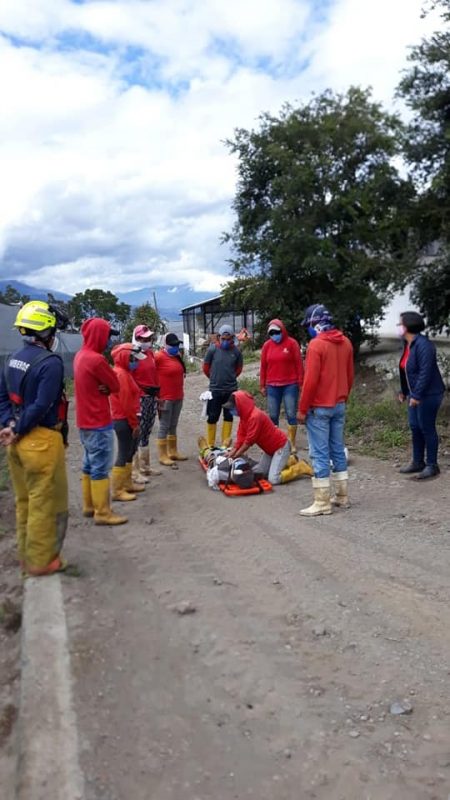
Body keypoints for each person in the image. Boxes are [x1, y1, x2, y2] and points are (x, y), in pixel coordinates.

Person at [0, 300, 69, 575]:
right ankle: (41, 562)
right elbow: (42, 405)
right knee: (45, 502)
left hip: (15, 442)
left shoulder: (10, 358)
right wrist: (19, 427)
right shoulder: (50, 363)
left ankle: (27, 555)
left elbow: (3, 397)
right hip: (40, 440)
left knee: (24, 502)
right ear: (45, 332)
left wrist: (9, 424)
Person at [297, 304, 354, 516]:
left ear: (315, 323)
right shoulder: (346, 342)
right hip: (339, 404)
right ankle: (342, 496)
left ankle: (322, 502)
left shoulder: (316, 345)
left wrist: (302, 409)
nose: (309, 329)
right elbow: (349, 376)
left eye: (309, 325)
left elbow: (310, 382)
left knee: (319, 453)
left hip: (319, 407)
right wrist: (343, 397)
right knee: (337, 449)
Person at [73, 317, 127, 526]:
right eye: (106, 335)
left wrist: (104, 386)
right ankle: (103, 513)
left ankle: (89, 506)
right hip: (98, 420)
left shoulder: (80, 356)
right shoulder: (96, 360)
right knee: (100, 467)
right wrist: (106, 387)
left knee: (88, 463)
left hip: (84, 421)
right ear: (98, 336)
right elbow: (115, 385)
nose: (107, 340)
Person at [224, 390, 312, 484]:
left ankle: (299, 468)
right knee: (260, 473)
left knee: (273, 479)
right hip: (270, 450)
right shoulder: (244, 417)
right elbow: (241, 437)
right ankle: (290, 460)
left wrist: (236, 455)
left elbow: (249, 441)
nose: (232, 411)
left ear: (241, 405)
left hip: (280, 447)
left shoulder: (255, 416)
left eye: (233, 408)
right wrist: (232, 452)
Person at [397, 311, 445, 480]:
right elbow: (405, 369)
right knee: (415, 427)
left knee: (426, 427)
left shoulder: (424, 345)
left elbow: (425, 372)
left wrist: (416, 395)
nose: (398, 326)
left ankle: (432, 465)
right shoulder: (407, 343)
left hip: (430, 393)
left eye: (400, 323)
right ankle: (418, 462)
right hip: (414, 393)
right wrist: (404, 391)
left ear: (408, 326)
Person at [259, 318, 304, 454]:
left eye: (276, 332)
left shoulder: (292, 344)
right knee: (273, 415)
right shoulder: (267, 346)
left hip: (290, 384)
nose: (274, 335)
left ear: (282, 330)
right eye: (271, 333)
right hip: (272, 385)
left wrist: (301, 383)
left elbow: (299, 365)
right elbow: (263, 366)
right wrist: (262, 385)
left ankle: (291, 442)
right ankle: (275, 442)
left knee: (291, 413)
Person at [110, 343, 147, 499]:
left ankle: (127, 484)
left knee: (130, 451)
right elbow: (126, 403)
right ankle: (118, 490)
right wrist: (134, 424)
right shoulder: (122, 375)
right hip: (124, 419)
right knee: (124, 452)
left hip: (128, 418)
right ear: (125, 358)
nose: (136, 362)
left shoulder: (124, 373)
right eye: (133, 359)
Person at [202, 324, 243, 448]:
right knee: (213, 416)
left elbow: (239, 368)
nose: (225, 341)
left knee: (229, 416)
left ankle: (225, 444)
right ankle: (210, 445)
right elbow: (206, 367)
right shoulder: (212, 350)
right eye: (223, 339)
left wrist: (230, 378)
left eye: (228, 339)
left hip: (231, 390)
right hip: (215, 389)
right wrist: (214, 378)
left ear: (232, 338)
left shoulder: (236, 351)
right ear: (219, 337)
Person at [131, 324, 162, 481]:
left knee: (147, 431)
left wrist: (158, 395)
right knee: (137, 433)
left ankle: (145, 466)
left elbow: (155, 375)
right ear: (136, 339)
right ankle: (135, 471)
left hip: (151, 397)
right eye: (143, 339)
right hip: (140, 398)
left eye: (149, 338)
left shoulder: (149, 354)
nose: (147, 341)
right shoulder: (132, 356)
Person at [154, 333, 188, 467]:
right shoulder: (158, 357)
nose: (175, 347)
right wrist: (156, 395)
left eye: (177, 344)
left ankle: (173, 451)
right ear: (165, 345)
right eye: (172, 345)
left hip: (178, 396)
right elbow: (149, 372)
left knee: (173, 425)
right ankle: (163, 455)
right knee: (164, 426)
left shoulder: (177, 356)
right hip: (165, 398)